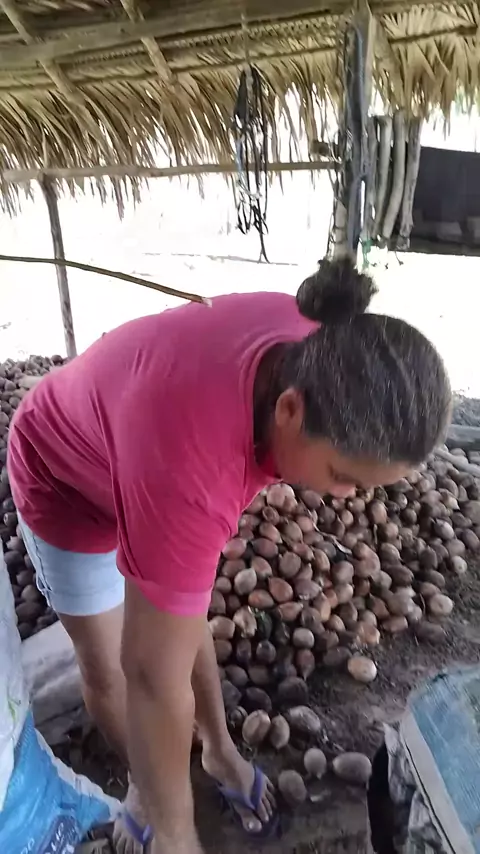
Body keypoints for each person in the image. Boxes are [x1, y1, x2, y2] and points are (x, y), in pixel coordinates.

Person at [8, 258, 451, 854]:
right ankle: (144, 786)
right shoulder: (194, 471)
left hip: (139, 444)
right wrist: (176, 834)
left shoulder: (326, 340)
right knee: (110, 667)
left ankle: (218, 751)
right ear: (289, 411)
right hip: (65, 482)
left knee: (177, 608)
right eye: (343, 476)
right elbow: (149, 675)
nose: (347, 496)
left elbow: (176, 617)